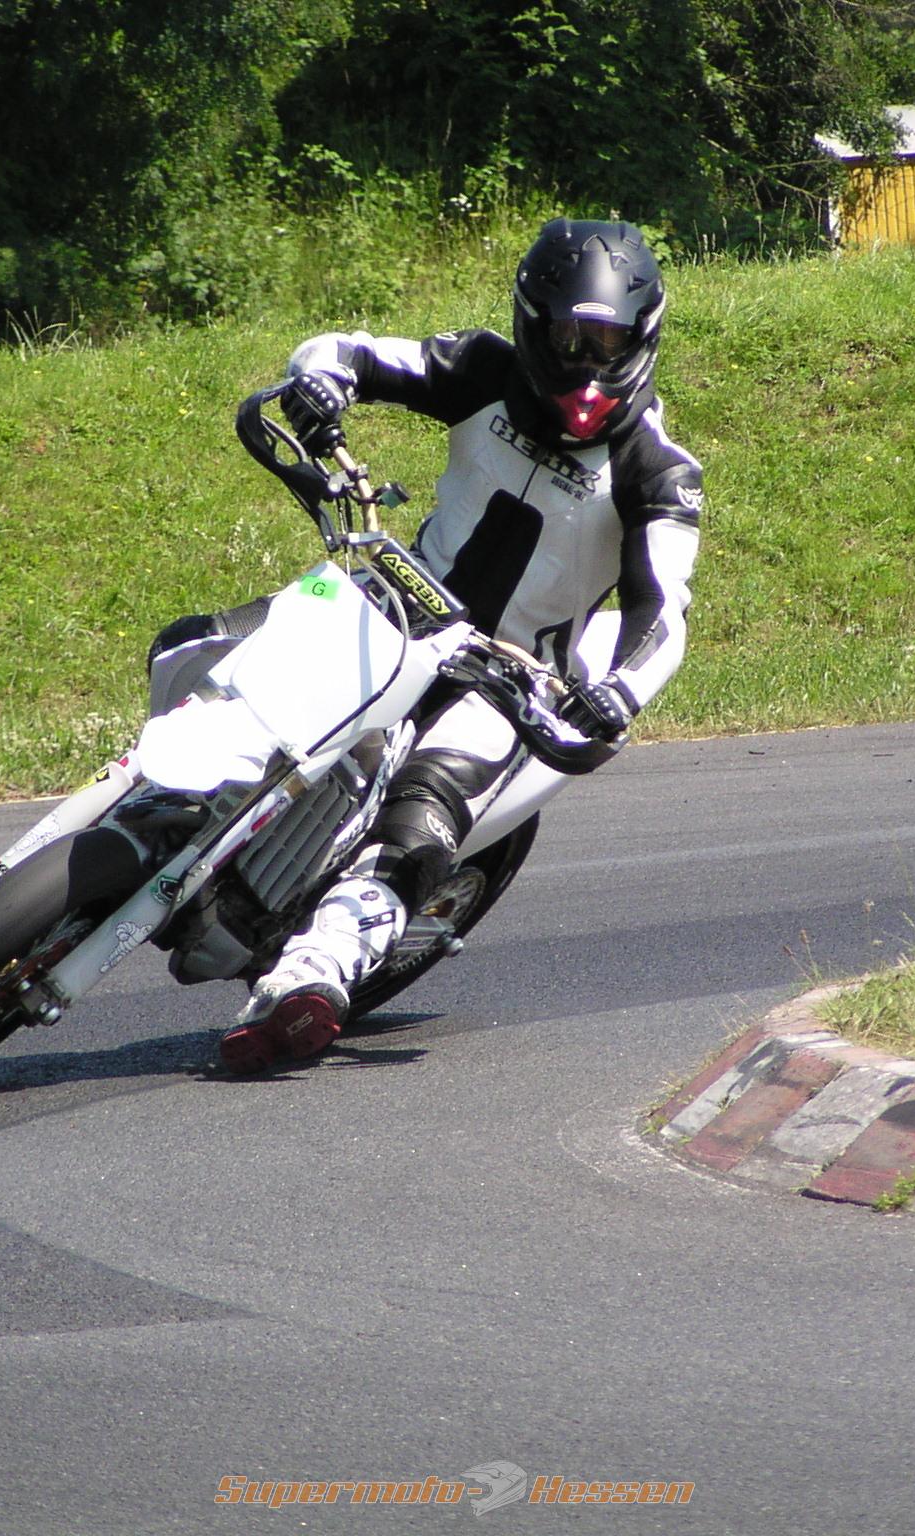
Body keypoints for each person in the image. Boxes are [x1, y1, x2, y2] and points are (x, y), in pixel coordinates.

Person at [212, 217, 705, 1072]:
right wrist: (321, 382)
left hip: (511, 679)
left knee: (424, 813)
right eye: (569, 337)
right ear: (531, 324)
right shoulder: (483, 370)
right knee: (213, 649)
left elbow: (663, 609)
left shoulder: (658, 468)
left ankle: (312, 974)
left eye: (607, 342)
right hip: (397, 607)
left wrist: (619, 691)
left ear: (643, 339)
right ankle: (146, 805)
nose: (586, 362)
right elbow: (348, 350)